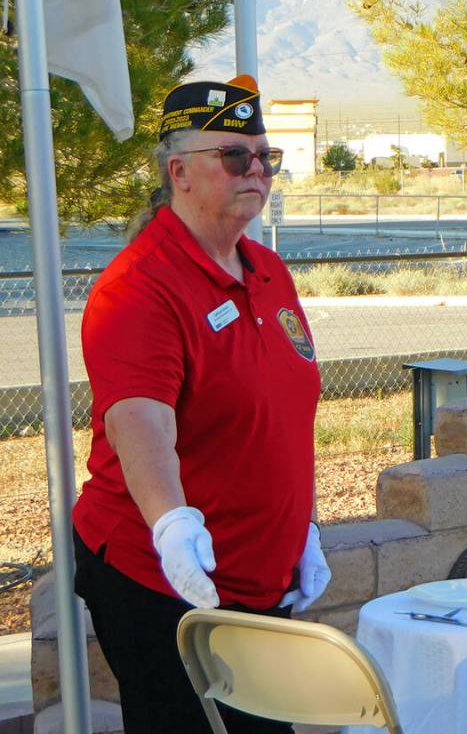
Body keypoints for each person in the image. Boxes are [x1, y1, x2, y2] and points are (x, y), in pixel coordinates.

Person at [71, 74, 330, 734]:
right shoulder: (140, 285)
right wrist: (170, 525)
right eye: (236, 157)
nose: (257, 171)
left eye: (266, 158)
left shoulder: (268, 271)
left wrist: (299, 523)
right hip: (166, 580)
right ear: (179, 171)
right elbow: (138, 416)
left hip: (260, 577)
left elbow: (280, 409)